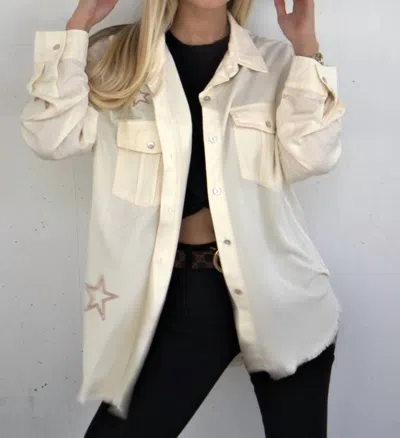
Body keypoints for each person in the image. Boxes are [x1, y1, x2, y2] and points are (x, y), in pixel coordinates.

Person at [21, 0, 345, 436]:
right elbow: (50, 138)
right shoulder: (113, 58)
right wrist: (78, 27)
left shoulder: (276, 62)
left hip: (282, 291)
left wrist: (306, 48)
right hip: (183, 296)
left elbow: (314, 157)